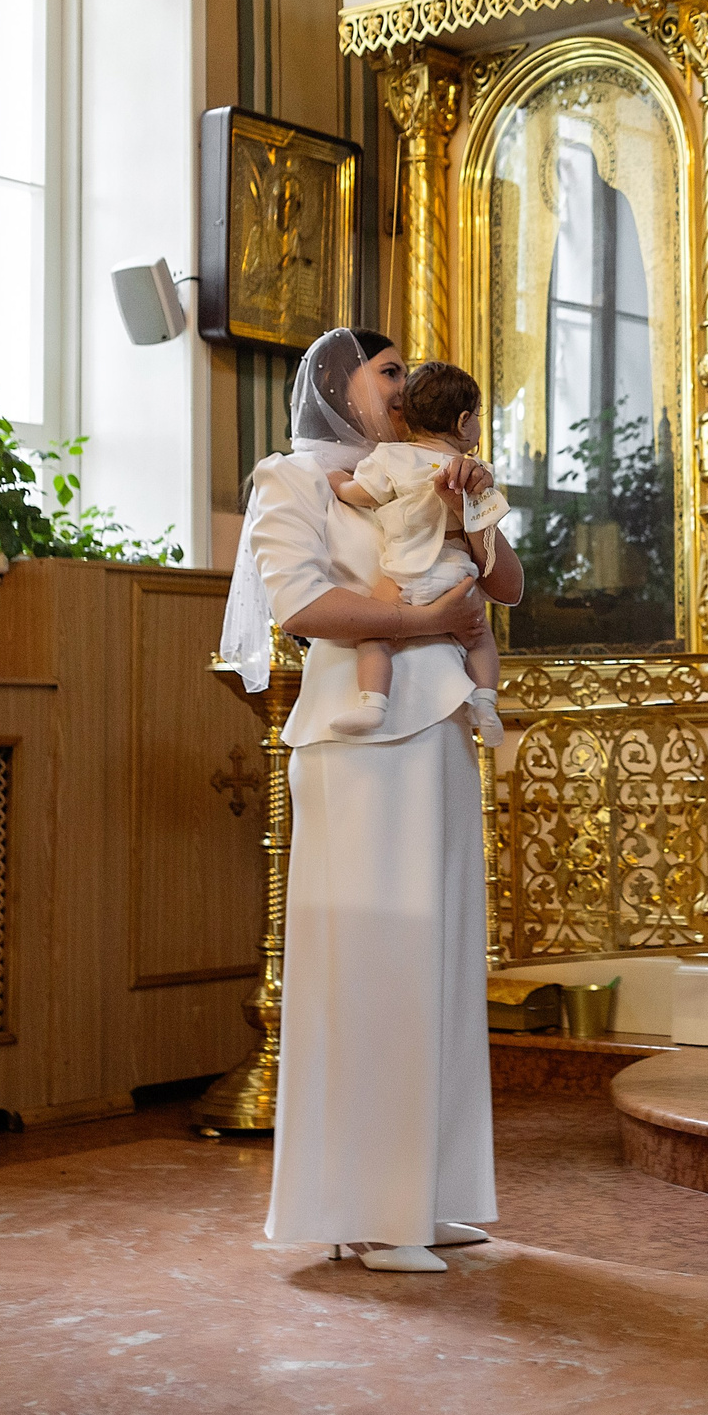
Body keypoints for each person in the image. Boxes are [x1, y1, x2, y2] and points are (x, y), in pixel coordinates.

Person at [221, 327, 523, 1274]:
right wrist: (421, 619)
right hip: (357, 740)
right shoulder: (292, 478)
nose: (402, 384)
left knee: (438, 962)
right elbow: (301, 607)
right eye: (387, 370)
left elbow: (505, 585)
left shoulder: (433, 468)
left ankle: (427, 1198)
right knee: (374, 969)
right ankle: (367, 1213)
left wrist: (474, 503)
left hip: (438, 729)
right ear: (337, 383)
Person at [328, 360, 509, 745]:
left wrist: (338, 483)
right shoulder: (473, 469)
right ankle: (486, 703)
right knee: (479, 637)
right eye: (478, 415)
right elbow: (486, 528)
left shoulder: (390, 457)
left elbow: (363, 494)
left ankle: (373, 702)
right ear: (463, 422)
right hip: (456, 572)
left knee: (374, 634)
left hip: (405, 572)